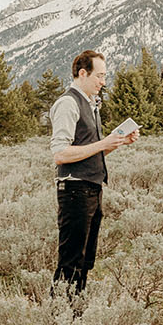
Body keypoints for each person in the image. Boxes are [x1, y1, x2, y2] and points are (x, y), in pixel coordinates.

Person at [50, 49, 136, 296]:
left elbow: (89, 151)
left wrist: (116, 143)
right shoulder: (68, 103)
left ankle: (75, 314)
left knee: (85, 260)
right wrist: (103, 143)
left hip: (90, 189)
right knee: (71, 261)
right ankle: (60, 318)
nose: (103, 82)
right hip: (75, 190)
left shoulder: (90, 104)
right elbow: (60, 154)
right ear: (82, 73)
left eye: (104, 76)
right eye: (99, 76)